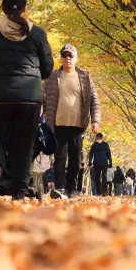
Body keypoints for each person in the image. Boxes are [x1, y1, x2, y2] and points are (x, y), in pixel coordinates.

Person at [0, 0, 54, 200]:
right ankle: (19, 191)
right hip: (29, 97)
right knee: (24, 144)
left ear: (2, 6)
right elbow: (47, 68)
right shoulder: (37, 33)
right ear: (25, 8)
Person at [42, 43, 100, 198]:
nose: (67, 58)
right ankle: (60, 188)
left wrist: (95, 121)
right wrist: (42, 118)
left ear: (76, 58)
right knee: (59, 157)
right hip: (57, 124)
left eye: (70, 55)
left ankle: (71, 188)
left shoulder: (85, 77)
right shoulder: (52, 77)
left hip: (77, 125)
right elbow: (42, 99)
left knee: (75, 158)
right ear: (61, 58)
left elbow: (94, 100)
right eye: (64, 55)